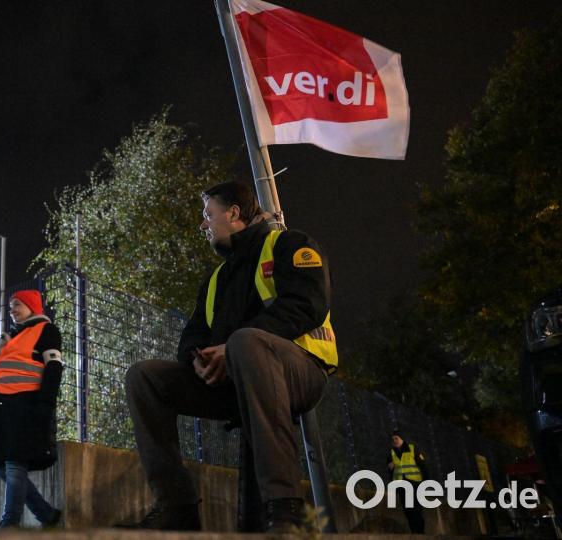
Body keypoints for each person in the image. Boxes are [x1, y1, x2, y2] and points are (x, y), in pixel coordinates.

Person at [121, 180, 338, 532]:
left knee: (245, 342)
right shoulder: (215, 279)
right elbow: (192, 335)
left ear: (234, 213)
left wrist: (233, 347)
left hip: (298, 372)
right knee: (143, 376)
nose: (202, 225)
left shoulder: (289, 245)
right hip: (233, 380)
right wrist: (199, 360)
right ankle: (176, 509)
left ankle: (283, 509)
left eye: (208, 215)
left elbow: (307, 304)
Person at [0, 290, 64, 528]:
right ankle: (47, 514)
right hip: (0, 408)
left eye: (17, 305)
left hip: (25, 405)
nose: (12, 310)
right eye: (10, 307)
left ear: (32, 306)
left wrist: (46, 403)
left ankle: (9, 524)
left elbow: (54, 368)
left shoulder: (47, 331)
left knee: (15, 463)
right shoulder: (10, 337)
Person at [388, 431, 427, 534]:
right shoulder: (391, 453)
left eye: (396, 438)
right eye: (393, 439)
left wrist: (426, 481)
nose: (394, 441)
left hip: (414, 483)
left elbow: (422, 466)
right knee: (408, 510)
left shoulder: (412, 449)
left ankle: (420, 532)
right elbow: (390, 471)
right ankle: (415, 533)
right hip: (401, 485)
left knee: (416, 508)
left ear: (402, 439)